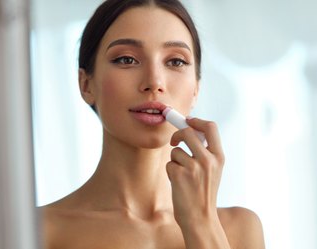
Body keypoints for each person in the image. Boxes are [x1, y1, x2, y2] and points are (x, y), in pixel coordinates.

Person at [40, 0, 265, 248]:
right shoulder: (41, 231)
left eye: (176, 62)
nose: (154, 81)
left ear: (196, 90)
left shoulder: (240, 229)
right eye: (127, 60)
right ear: (86, 85)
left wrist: (201, 223)